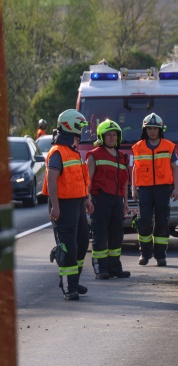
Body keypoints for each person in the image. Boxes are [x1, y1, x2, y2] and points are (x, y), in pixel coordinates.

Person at [42, 109, 94, 300]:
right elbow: (52, 180)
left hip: (77, 204)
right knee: (67, 246)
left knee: (80, 244)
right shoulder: (57, 152)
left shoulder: (74, 151)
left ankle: (74, 281)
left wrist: (86, 199)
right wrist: (55, 206)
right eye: (80, 126)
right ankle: (68, 287)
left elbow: (79, 179)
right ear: (70, 126)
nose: (82, 130)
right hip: (62, 205)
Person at [131, 113, 178, 266]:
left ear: (160, 130)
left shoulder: (168, 146)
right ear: (145, 130)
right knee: (143, 221)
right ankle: (144, 254)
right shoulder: (138, 147)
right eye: (149, 128)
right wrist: (133, 188)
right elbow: (134, 169)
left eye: (155, 128)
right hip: (144, 189)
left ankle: (160, 255)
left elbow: (174, 168)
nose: (152, 131)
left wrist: (176, 188)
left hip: (163, 189)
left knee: (162, 221)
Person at [86, 120, 131, 280]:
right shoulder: (94, 154)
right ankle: (100, 268)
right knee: (100, 234)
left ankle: (114, 268)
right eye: (108, 135)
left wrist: (126, 202)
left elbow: (125, 182)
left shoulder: (122, 157)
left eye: (114, 135)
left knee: (117, 234)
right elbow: (88, 180)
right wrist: (87, 199)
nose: (112, 137)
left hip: (117, 200)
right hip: (100, 199)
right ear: (101, 136)